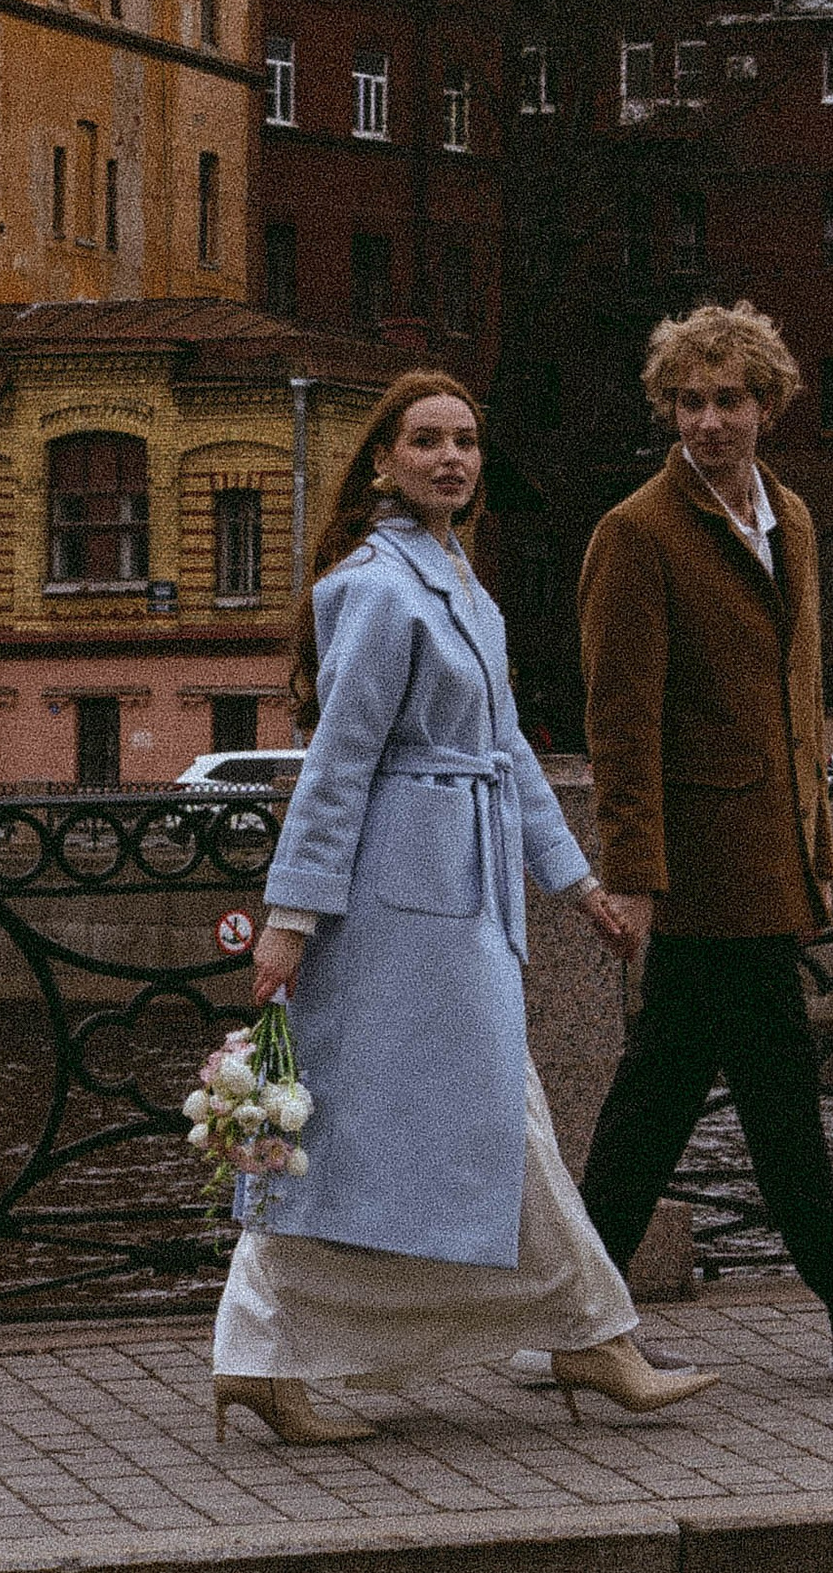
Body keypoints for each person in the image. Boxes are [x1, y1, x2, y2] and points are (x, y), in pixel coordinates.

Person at [212, 368, 716, 1444]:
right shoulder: (376, 586)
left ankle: (267, 1356)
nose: (452, 458)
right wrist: (291, 916)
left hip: (456, 886)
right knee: (466, 1116)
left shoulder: (455, 578)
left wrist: (577, 885)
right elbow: (338, 761)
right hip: (400, 898)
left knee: (441, 1121)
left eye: (468, 441)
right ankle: (588, 1336)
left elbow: (505, 758)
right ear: (384, 461)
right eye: (428, 440)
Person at [548, 300, 833, 1390]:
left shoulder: (792, 519)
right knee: (775, 1097)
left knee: (657, 1099)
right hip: (700, 873)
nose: (709, 422)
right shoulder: (635, 534)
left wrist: (814, 844)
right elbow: (619, 722)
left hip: (765, 859)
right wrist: (633, 877)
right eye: (689, 402)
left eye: (729, 400)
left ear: (768, 406)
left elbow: (798, 697)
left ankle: (575, 1315)